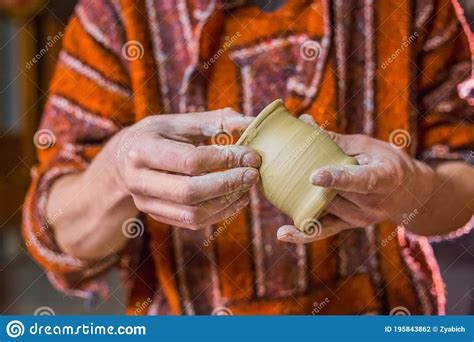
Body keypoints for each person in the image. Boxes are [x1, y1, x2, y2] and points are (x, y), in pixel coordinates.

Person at [23, 0, 473, 315]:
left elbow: (464, 176)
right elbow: (56, 233)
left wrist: (411, 189)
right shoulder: (117, 15)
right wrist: (119, 173)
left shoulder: (412, 6)